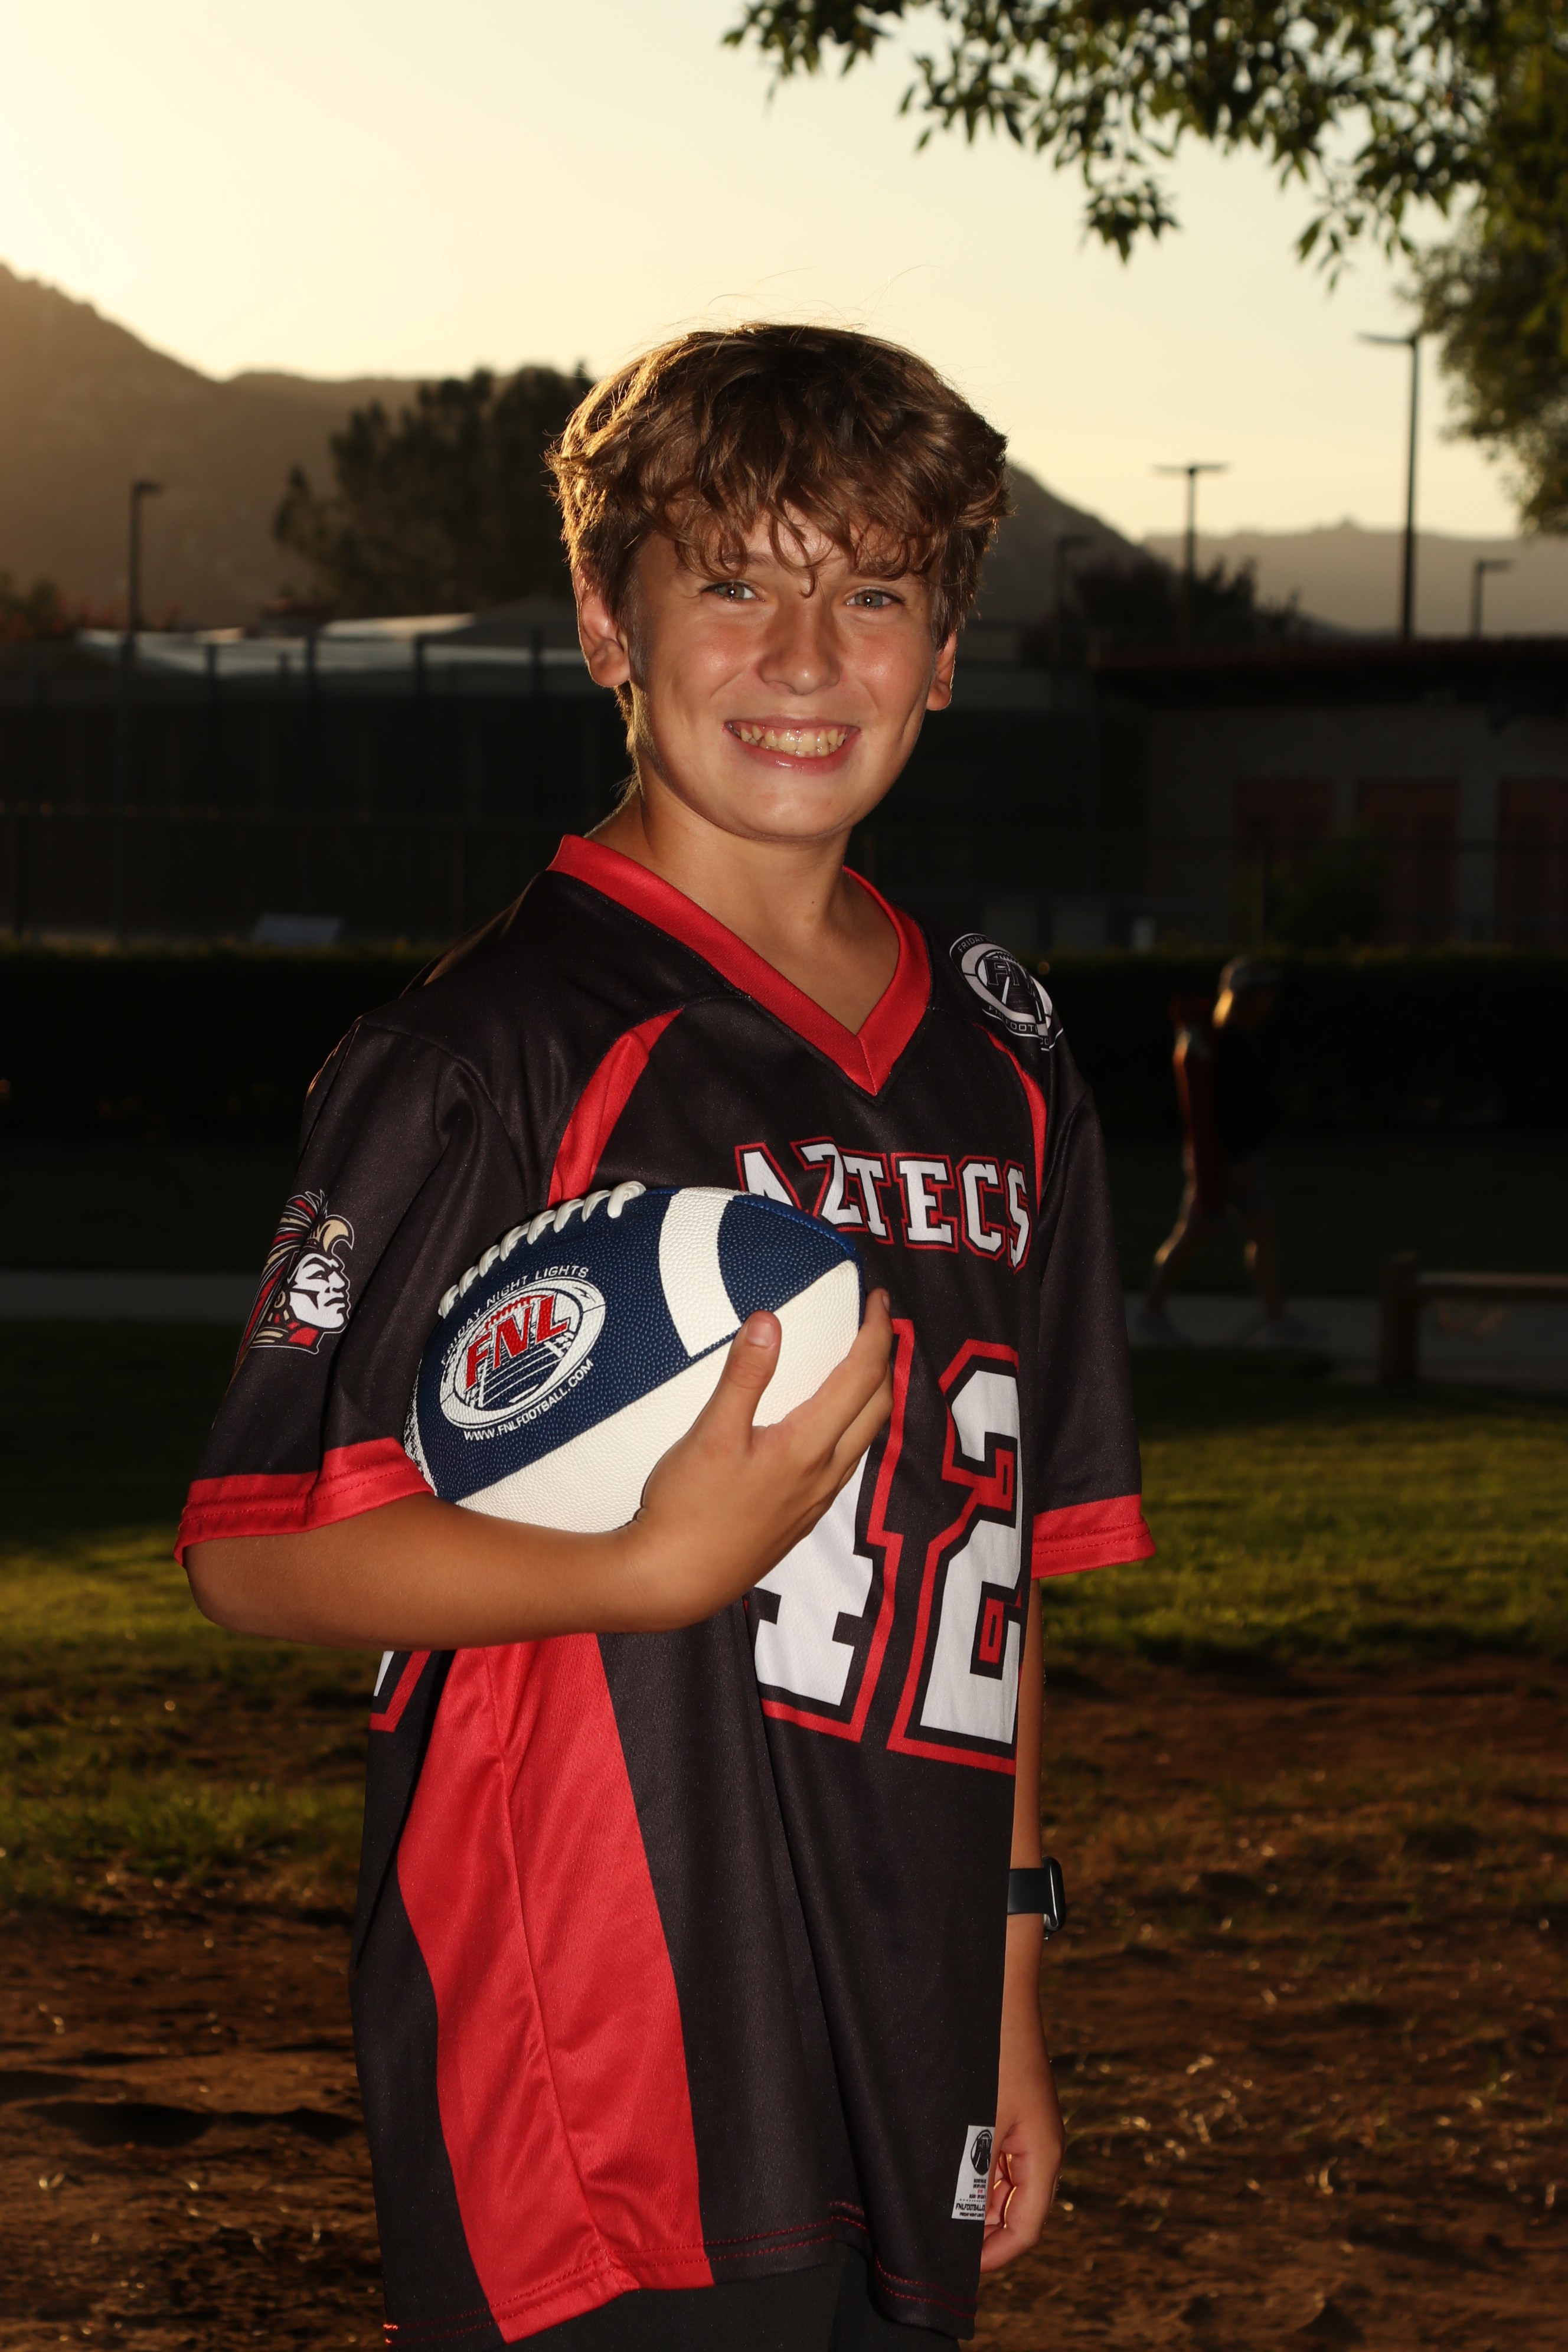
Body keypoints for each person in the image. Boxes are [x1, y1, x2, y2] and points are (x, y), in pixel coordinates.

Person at [178, 324, 1154, 2349]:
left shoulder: (1004, 1056)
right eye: (731, 581)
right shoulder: (488, 1050)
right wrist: (641, 1566)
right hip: (602, 2043)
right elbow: (255, 1546)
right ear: (608, 625)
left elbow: (1000, 1579)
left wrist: (1010, 1977)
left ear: (945, 649)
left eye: (870, 591)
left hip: (902, 2001)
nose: (803, 655)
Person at [1136, 956, 1318, 1347]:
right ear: (1247, 997)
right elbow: (1227, 1111)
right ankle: (1152, 1312)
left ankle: (1275, 1319)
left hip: (1233, 1157)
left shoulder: (1231, 1040)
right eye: (1264, 991)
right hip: (1231, 1159)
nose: (1271, 998)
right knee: (1199, 1233)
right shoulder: (1228, 1044)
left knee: (1250, 1233)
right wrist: (1238, 1161)